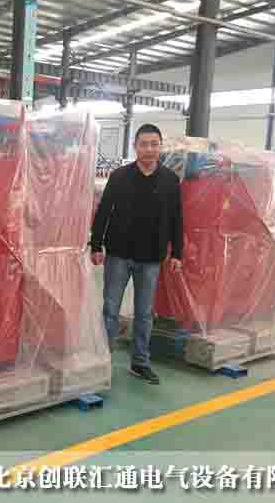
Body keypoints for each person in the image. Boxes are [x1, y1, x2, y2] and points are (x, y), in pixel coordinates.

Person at [89, 124, 183, 385]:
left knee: (144, 313)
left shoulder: (170, 180)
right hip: (118, 254)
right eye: (144, 144)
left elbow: (176, 219)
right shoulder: (119, 176)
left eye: (154, 144)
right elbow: (103, 211)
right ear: (135, 147)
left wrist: (177, 252)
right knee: (110, 310)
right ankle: (103, 361)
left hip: (151, 258)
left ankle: (140, 362)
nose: (149, 149)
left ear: (160, 147)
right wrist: (96, 246)